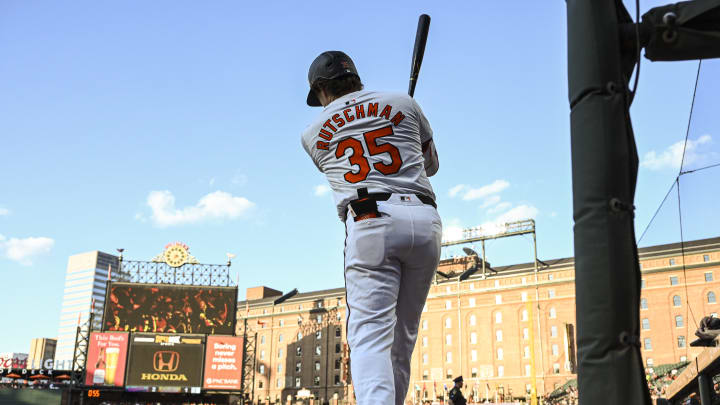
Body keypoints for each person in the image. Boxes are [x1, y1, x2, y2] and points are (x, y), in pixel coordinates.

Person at [301, 50, 441, 405]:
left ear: (321, 88)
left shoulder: (312, 133)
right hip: (424, 221)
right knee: (403, 335)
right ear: (356, 78)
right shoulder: (403, 101)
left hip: (369, 220)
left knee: (370, 337)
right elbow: (432, 165)